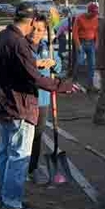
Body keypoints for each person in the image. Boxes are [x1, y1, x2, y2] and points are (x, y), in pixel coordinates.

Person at [0, 3, 77, 209]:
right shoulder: (18, 43)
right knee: (19, 157)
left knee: (5, 155)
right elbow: (34, 77)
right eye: (33, 26)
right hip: (19, 107)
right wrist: (62, 86)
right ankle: (11, 205)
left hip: (2, 104)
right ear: (28, 22)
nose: (33, 30)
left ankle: (5, 198)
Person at [28, 15, 62, 185]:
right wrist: (37, 63)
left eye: (40, 30)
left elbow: (60, 67)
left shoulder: (46, 47)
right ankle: (22, 168)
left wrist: (53, 63)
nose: (36, 32)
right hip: (26, 98)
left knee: (38, 135)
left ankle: (32, 168)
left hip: (43, 99)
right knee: (25, 136)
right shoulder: (23, 47)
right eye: (34, 28)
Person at [72, 3, 99, 89]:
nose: (94, 15)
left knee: (92, 64)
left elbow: (96, 32)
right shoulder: (79, 18)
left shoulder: (95, 19)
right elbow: (75, 32)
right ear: (89, 12)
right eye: (93, 13)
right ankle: (75, 80)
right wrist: (78, 45)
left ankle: (90, 84)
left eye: (95, 14)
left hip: (91, 43)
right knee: (80, 61)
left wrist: (96, 43)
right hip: (82, 42)